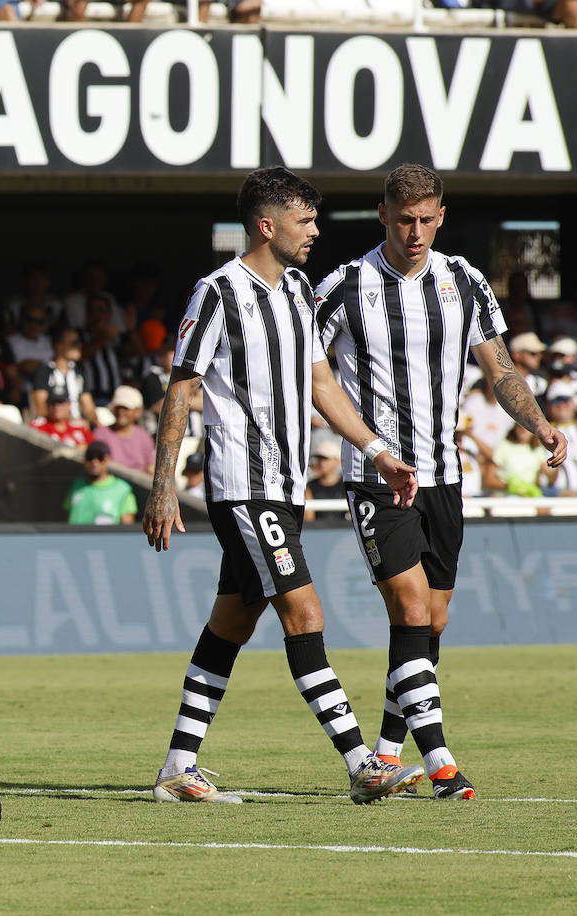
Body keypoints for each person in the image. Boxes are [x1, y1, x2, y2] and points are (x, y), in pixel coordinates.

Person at [143, 167, 425, 805]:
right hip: (244, 485)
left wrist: (377, 451)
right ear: (268, 226)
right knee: (306, 614)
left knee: (231, 625)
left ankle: (176, 767)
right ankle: (361, 763)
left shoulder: (299, 289)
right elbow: (182, 389)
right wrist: (162, 489)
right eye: (306, 221)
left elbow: (323, 385)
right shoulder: (217, 292)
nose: (315, 232)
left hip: (285, 485)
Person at [314, 163, 566, 800]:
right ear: (383, 215)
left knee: (433, 624)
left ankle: (384, 753)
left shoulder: (466, 281)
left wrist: (538, 423)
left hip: (443, 476)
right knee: (411, 608)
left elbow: (499, 368)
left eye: (427, 219)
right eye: (405, 219)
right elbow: (309, 373)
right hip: (377, 476)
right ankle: (442, 763)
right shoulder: (344, 286)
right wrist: (369, 448)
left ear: (442, 216)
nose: (417, 231)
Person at [30, 325, 97, 425]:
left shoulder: (78, 372)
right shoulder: (44, 371)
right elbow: (41, 409)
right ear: (58, 345)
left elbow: (88, 406)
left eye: (80, 342)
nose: (79, 346)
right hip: (53, 426)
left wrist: (97, 425)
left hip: (77, 426)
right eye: (74, 343)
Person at [68, 441, 137, 525]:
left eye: (100, 458)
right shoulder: (77, 485)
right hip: (74, 538)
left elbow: (127, 528)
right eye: (90, 457)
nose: (94, 462)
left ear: (108, 459)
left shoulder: (122, 489)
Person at [91, 385, 154, 474]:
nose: (121, 412)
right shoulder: (101, 434)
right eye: (118, 408)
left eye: (125, 408)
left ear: (137, 411)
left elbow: (150, 468)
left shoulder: (144, 437)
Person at [29, 389, 93, 446]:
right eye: (53, 403)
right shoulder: (38, 427)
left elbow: (93, 448)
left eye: (61, 403)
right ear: (47, 405)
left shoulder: (79, 427)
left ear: (69, 405)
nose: (57, 407)